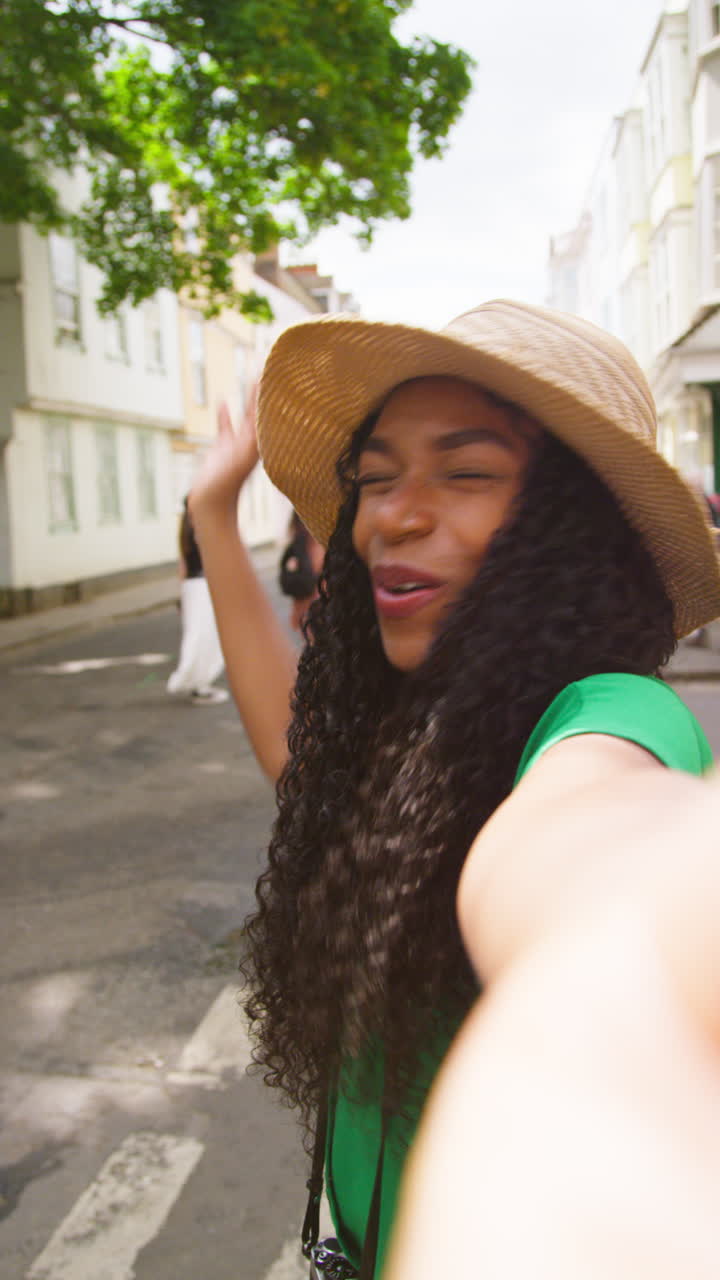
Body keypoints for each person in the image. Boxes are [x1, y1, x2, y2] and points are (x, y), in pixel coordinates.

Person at [189, 300, 720, 1279]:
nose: (392, 513)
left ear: (574, 526)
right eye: (376, 477)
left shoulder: (614, 713)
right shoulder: (420, 717)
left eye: (467, 471)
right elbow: (289, 742)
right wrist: (213, 514)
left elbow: (592, 848)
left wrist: (642, 955)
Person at [166, 496, 228, 704]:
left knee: (197, 634)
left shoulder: (184, 531)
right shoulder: (202, 529)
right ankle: (199, 683)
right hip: (203, 587)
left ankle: (197, 682)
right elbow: (214, 561)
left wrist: (182, 596)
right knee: (206, 636)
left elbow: (182, 566)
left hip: (191, 587)